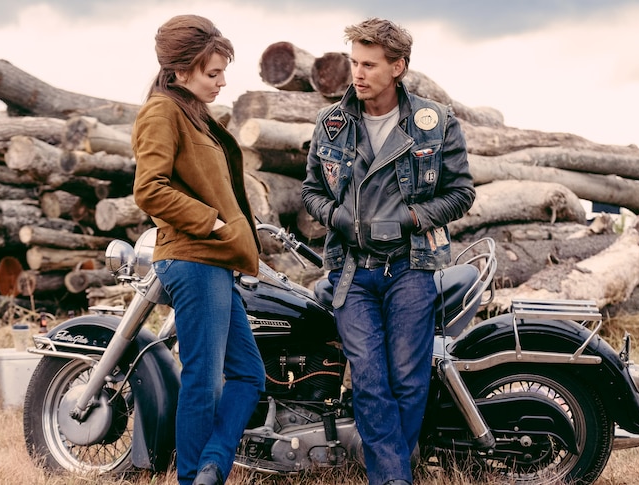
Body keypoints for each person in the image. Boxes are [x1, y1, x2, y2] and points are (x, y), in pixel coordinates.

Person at [301, 17, 476, 485]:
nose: (357, 73)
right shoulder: (331, 124)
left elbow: (461, 193)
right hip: (351, 271)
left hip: (412, 266)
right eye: (354, 62)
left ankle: (393, 471)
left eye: (370, 64)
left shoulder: (435, 123)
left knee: (408, 378)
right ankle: (394, 478)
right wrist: (338, 217)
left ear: (398, 67)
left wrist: (409, 218)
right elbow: (312, 190)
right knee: (370, 379)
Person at [131, 15, 266, 485]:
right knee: (203, 383)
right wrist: (211, 221)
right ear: (180, 71)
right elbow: (149, 189)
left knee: (249, 375)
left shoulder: (194, 113)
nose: (223, 81)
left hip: (215, 260)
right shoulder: (162, 111)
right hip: (193, 257)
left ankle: (211, 464)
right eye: (213, 73)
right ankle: (192, 476)